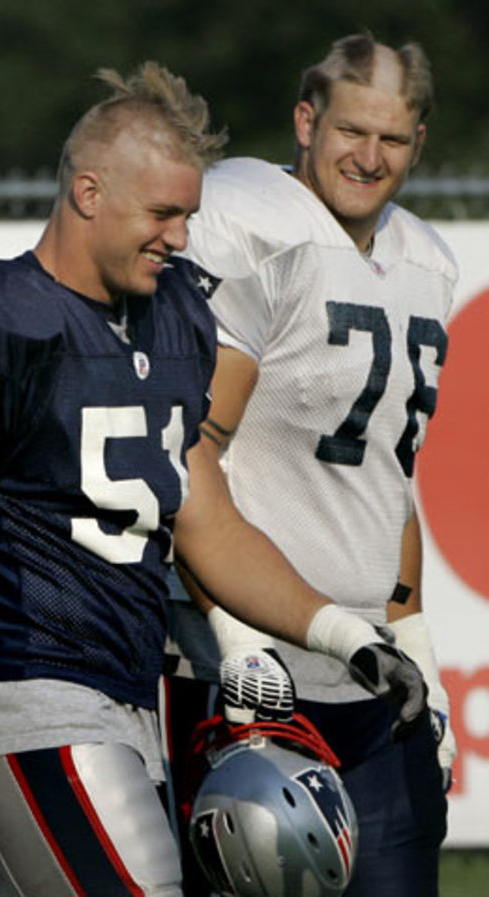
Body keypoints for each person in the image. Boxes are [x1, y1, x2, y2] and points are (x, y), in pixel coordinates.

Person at [0, 62, 426, 897]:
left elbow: (212, 528)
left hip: (124, 709)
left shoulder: (176, 317)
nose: (179, 238)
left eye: (190, 216)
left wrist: (343, 635)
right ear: (89, 193)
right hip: (22, 698)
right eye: (162, 214)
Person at [164, 33, 457, 897]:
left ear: (419, 145)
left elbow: (389, 477)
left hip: (371, 673)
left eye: (393, 138)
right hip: (246, 670)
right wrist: (237, 632)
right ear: (305, 119)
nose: (369, 157)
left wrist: (415, 641)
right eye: (350, 130)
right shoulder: (254, 224)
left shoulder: (426, 261)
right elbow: (190, 455)